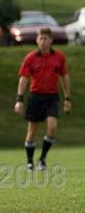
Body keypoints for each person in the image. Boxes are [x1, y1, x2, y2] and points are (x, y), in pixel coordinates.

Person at [14, 27, 71, 171]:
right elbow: (23, 79)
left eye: (46, 39)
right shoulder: (30, 58)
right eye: (40, 39)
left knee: (52, 127)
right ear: (37, 40)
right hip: (36, 97)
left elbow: (64, 78)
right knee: (32, 131)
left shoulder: (59, 57)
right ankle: (29, 162)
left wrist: (67, 98)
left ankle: (43, 158)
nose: (43, 42)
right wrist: (19, 99)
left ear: (51, 40)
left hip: (52, 97)